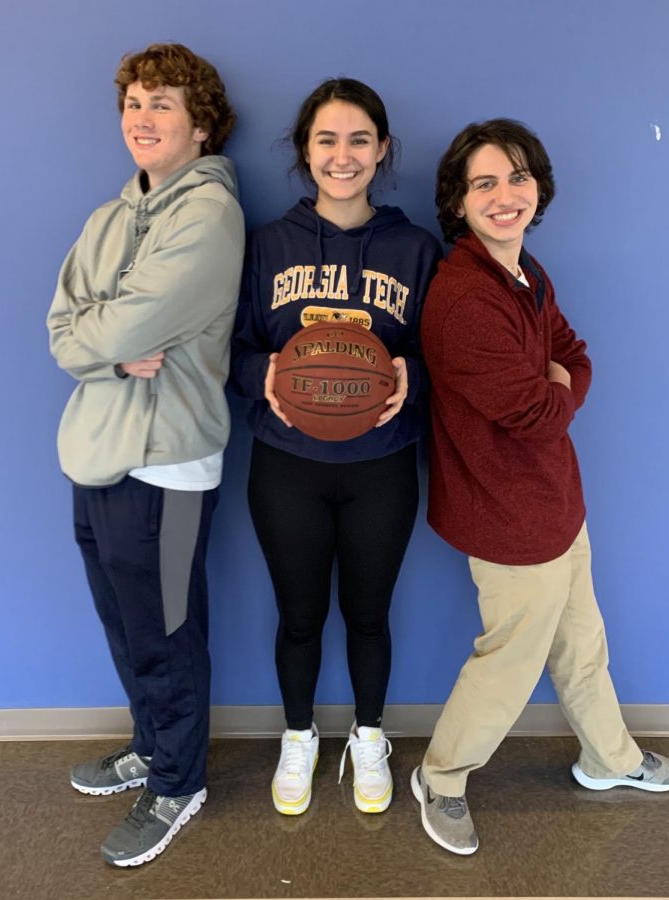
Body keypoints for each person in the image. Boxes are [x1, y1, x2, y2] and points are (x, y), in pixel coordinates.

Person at [413, 118, 669, 855]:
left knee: (581, 645)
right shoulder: (464, 300)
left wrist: (558, 379)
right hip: (506, 516)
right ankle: (439, 779)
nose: (505, 195)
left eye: (517, 176)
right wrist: (558, 387)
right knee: (507, 666)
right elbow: (536, 415)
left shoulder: (525, 272)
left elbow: (570, 353)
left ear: (537, 186)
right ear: (458, 202)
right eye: (484, 184)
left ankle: (609, 758)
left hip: (555, 504)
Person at [46, 42, 244, 867]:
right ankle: (148, 743)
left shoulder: (209, 214)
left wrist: (109, 334)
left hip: (167, 461)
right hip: (94, 452)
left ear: (200, 127)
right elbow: (64, 331)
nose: (142, 118)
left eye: (161, 104)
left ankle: (177, 780)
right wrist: (106, 346)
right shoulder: (106, 216)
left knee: (165, 629)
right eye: (133, 103)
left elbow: (124, 324)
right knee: (122, 623)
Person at [232, 79, 442, 816]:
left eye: (359, 139)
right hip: (285, 464)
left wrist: (410, 376)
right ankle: (298, 735)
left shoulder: (416, 249)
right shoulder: (266, 245)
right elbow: (232, 350)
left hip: (381, 465)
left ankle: (369, 735)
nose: (342, 155)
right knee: (296, 615)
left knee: (368, 615)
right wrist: (272, 376)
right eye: (326, 139)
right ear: (304, 151)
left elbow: (444, 353)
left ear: (382, 150)